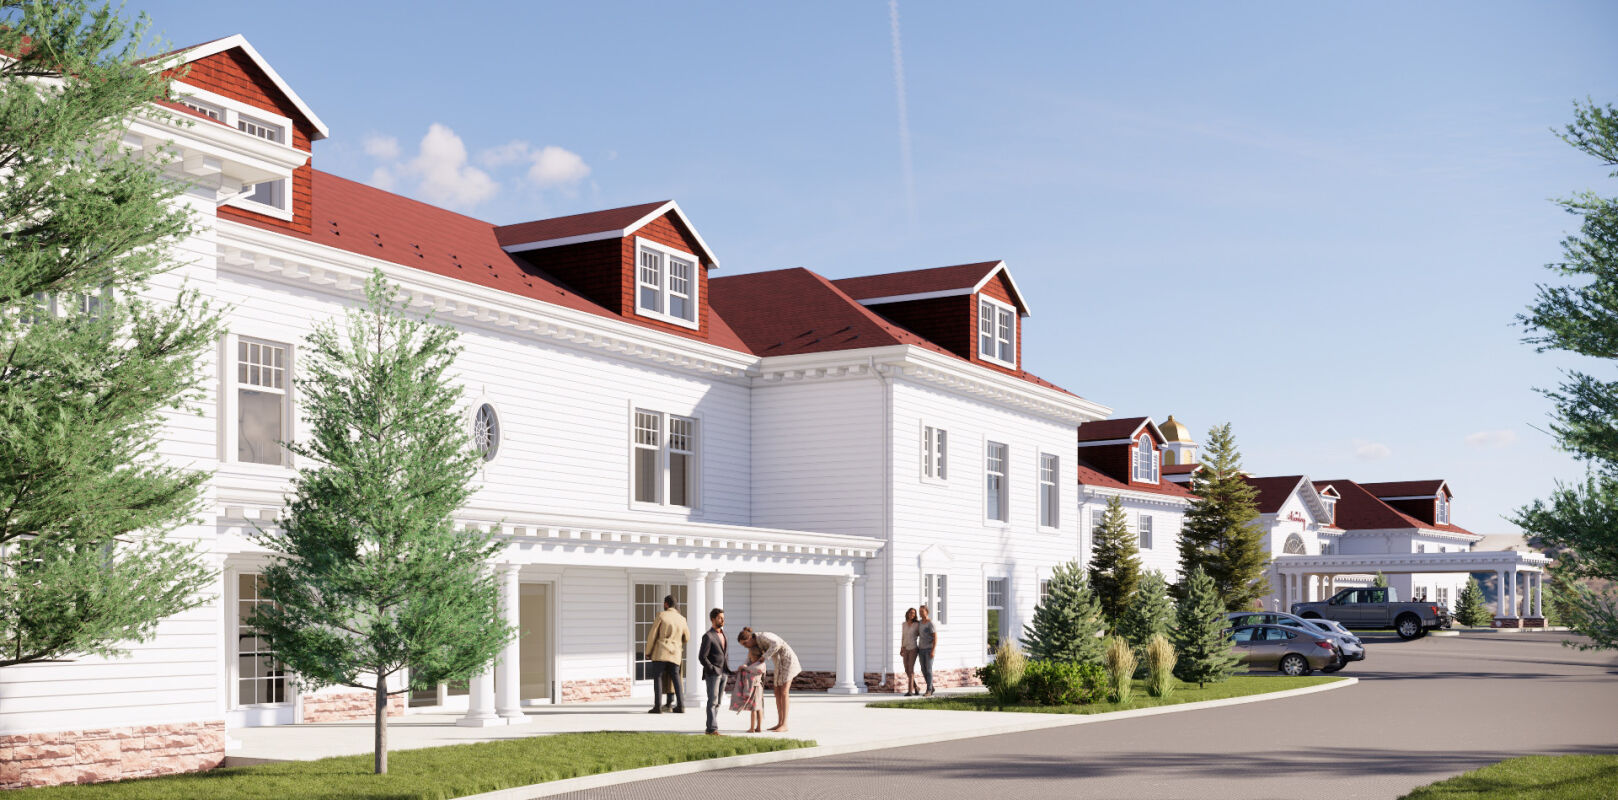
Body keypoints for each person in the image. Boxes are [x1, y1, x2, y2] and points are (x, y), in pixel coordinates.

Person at [737, 627, 800, 732]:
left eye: (745, 643)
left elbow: (777, 643)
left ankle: (784, 724)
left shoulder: (763, 636)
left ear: (750, 638)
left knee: (784, 692)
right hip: (778, 664)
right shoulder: (754, 645)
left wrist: (764, 656)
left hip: (788, 661)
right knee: (777, 692)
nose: (745, 646)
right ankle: (779, 723)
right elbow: (749, 658)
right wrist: (744, 665)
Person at [644, 594, 689, 714]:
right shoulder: (682, 619)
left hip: (661, 652)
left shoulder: (661, 615)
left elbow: (652, 635)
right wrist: (678, 643)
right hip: (675, 653)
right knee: (676, 679)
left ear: (666, 604)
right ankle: (681, 706)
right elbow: (687, 637)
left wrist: (648, 651)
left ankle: (657, 707)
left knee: (658, 678)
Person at [698, 607, 733, 735]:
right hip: (713, 673)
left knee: (718, 702)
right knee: (712, 701)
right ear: (713, 619)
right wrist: (712, 669)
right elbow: (702, 657)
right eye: (719, 618)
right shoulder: (708, 636)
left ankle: (710, 727)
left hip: (724, 672)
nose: (722, 620)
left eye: (723, 618)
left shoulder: (724, 634)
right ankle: (712, 728)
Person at [730, 645, 766, 733]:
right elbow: (747, 665)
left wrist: (744, 668)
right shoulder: (753, 663)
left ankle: (752, 728)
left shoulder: (760, 665)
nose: (748, 657)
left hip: (755, 688)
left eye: (749, 655)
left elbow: (754, 669)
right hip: (756, 688)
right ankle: (758, 727)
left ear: (754, 656)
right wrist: (744, 666)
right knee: (758, 708)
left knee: (755, 708)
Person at [916, 604, 938, 697]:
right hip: (921, 649)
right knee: (923, 669)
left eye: (922, 611)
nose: (921, 613)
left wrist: (933, 650)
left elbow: (935, 637)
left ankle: (929, 690)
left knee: (928, 670)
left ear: (927, 612)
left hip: (929, 650)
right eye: (920, 611)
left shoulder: (930, 623)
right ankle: (931, 687)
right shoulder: (920, 623)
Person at [899, 607, 921, 696]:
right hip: (905, 648)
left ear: (915, 615)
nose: (912, 614)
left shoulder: (917, 624)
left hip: (913, 648)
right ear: (907, 613)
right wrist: (901, 648)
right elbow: (903, 636)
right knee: (906, 669)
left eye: (914, 613)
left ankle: (910, 691)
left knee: (911, 669)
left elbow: (922, 635)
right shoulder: (904, 624)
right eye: (910, 612)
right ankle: (916, 687)